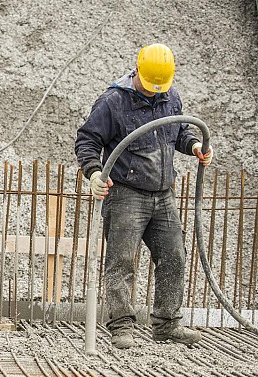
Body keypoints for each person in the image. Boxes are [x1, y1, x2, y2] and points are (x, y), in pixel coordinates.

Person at [74, 43, 213, 349]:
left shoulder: (170, 96)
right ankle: (121, 326)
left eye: (158, 88)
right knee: (121, 262)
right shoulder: (112, 102)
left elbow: (178, 134)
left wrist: (194, 146)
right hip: (126, 194)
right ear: (136, 70)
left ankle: (167, 324)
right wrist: (95, 173)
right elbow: (87, 140)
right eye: (150, 86)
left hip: (163, 195)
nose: (153, 92)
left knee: (174, 255)